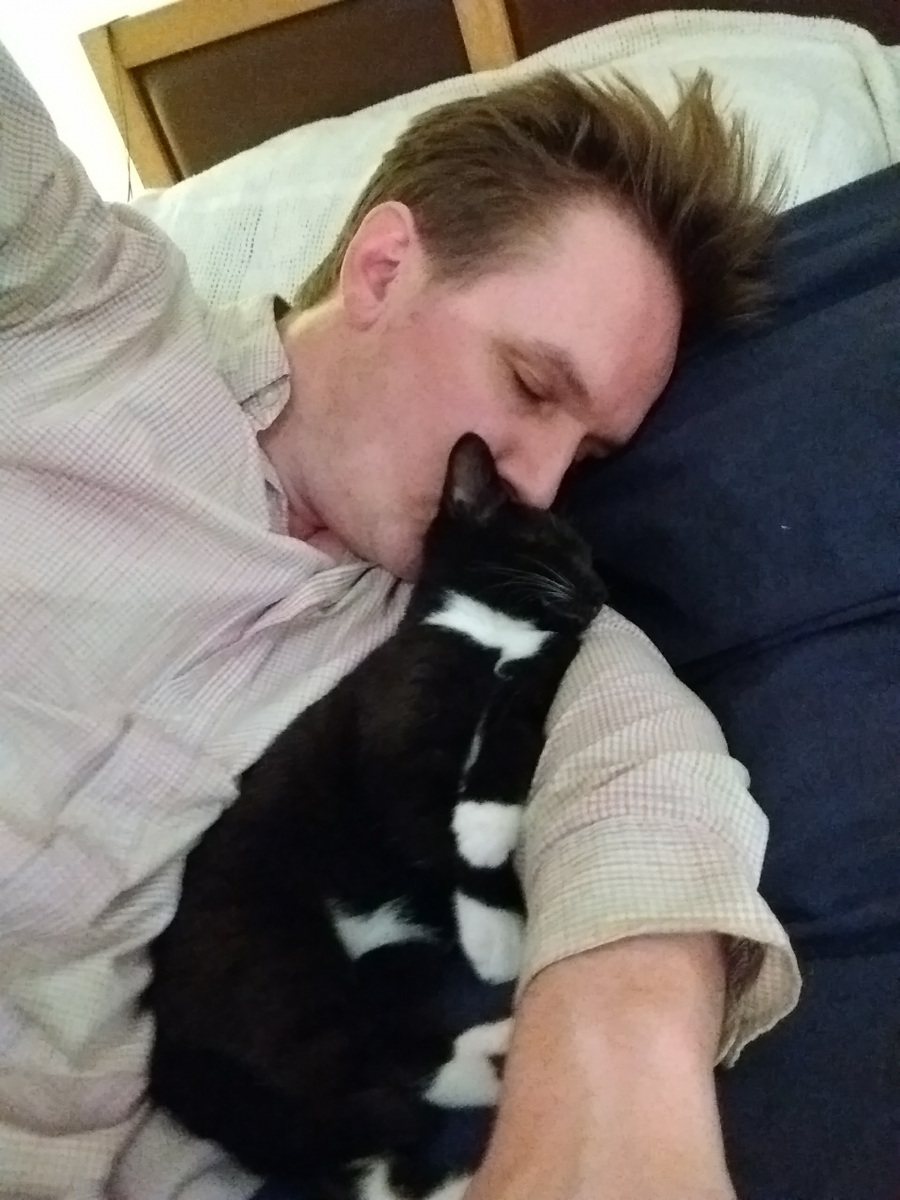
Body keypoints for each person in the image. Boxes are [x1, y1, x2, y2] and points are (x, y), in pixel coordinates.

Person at [0, 42, 798, 1200]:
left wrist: (619, 1055)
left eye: (588, 457)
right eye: (532, 386)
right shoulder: (84, 307)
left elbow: (645, 774)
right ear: (382, 269)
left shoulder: (478, 629)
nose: (539, 483)